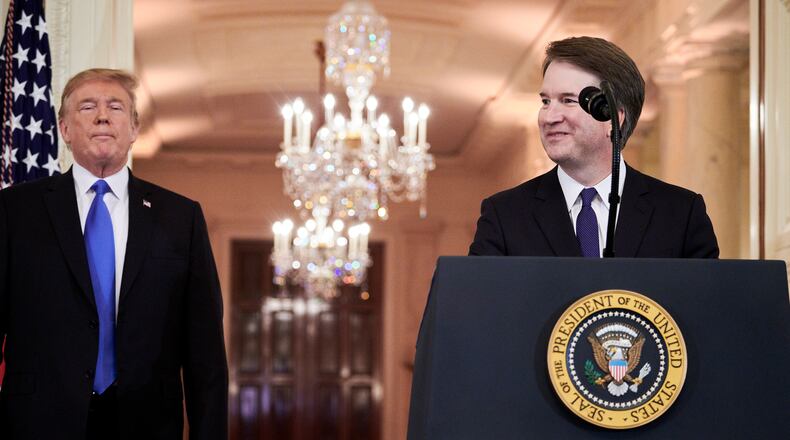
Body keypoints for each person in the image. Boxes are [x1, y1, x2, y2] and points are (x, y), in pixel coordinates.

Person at [0, 69, 228, 439]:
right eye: (87, 106)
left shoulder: (180, 218)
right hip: (38, 421)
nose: (102, 115)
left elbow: (206, 356)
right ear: (64, 129)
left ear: (135, 129)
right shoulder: (14, 211)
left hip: (147, 424)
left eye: (116, 107)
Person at [469, 37, 719, 258]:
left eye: (567, 100)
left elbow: (705, 307)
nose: (549, 116)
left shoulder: (681, 214)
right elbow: (476, 307)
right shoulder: (504, 215)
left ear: (612, 117)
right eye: (546, 101)